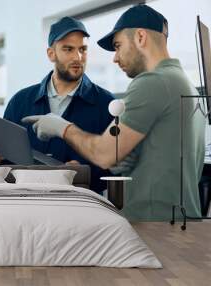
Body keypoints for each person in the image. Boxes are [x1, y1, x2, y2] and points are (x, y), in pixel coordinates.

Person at [23, 5, 205, 221]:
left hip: (154, 225)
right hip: (177, 221)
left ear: (140, 37)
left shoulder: (152, 83)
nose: (115, 58)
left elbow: (104, 154)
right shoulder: (185, 85)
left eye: (118, 46)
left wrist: (62, 128)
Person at [0, 17, 115, 194]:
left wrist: (86, 172)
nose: (78, 57)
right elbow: (6, 167)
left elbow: (115, 167)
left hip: (82, 206)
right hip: (28, 202)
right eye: (68, 49)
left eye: (83, 49)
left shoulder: (106, 104)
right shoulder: (20, 101)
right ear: (51, 53)